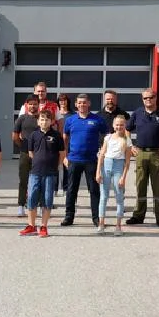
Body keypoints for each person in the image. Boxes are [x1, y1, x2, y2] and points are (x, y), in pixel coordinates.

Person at [125, 89, 159, 227]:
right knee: (140, 185)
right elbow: (127, 129)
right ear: (142, 99)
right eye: (145, 98)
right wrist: (130, 145)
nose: (148, 100)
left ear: (156, 98)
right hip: (140, 153)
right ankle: (138, 215)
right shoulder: (137, 113)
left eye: (151, 97)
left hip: (157, 154)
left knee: (158, 187)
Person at [60, 94, 108, 227]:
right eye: (79, 103)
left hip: (91, 160)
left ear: (89, 104)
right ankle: (69, 217)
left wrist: (102, 152)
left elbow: (107, 136)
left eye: (84, 103)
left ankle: (96, 218)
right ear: (76, 104)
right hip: (74, 160)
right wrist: (65, 156)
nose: (82, 105)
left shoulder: (97, 119)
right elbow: (65, 138)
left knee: (94, 189)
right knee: (71, 190)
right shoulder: (70, 120)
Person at [20, 110, 64, 238]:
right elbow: (31, 152)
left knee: (47, 200)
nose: (44, 122)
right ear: (38, 121)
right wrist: (37, 163)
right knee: (32, 198)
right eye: (42, 119)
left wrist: (58, 165)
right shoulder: (33, 135)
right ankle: (31, 226)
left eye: (47, 120)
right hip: (35, 172)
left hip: (50, 173)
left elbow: (62, 153)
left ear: (51, 121)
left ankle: (44, 226)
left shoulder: (56, 136)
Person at [95, 113, 133, 236]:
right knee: (103, 196)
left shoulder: (127, 141)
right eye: (117, 125)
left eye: (121, 125)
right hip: (106, 165)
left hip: (118, 166)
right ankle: (101, 224)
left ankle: (118, 225)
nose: (119, 127)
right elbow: (101, 155)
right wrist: (98, 171)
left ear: (125, 125)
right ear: (113, 125)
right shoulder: (108, 138)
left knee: (119, 196)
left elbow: (127, 162)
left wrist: (123, 177)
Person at [12, 94, 40, 216]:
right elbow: (15, 136)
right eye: (30, 104)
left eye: (35, 104)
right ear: (26, 105)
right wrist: (24, 146)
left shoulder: (42, 117)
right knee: (23, 180)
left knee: (38, 181)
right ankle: (20, 205)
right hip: (24, 153)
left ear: (38, 105)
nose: (33, 106)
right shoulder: (21, 119)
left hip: (39, 154)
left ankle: (38, 205)